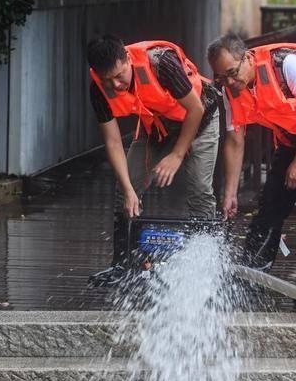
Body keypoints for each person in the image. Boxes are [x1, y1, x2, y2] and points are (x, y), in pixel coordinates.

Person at [206, 33, 296, 294]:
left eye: (233, 73)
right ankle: (252, 277)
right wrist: (231, 193)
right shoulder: (229, 90)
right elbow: (235, 141)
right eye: (222, 77)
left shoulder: (287, 65)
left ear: (247, 58)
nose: (230, 82)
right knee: (269, 206)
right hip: (292, 138)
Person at [87, 35, 220, 285]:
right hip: (158, 127)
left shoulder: (161, 63)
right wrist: (128, 189)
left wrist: (177, 155)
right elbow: (113, 141)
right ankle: (122, 265)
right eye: (108, 80)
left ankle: (207, 266)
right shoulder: (97, 87)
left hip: (200, 120)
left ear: (128, 59)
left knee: (200, 190)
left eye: (119, 76)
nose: (115, 85)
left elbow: (196, 109)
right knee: (125, 189)